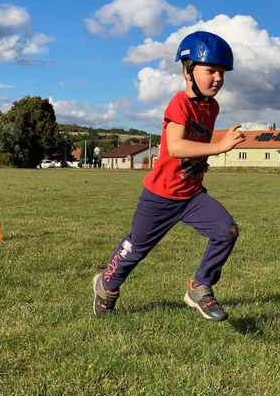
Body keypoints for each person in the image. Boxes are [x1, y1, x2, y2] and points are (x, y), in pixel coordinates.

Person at [92, 31, 246, 321]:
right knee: (136, 249)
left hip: (191, 195)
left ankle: (200, 287)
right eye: (211, 71)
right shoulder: (179, 104)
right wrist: (219, 147)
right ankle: (106, 286)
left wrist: (202, 161)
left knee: (226, 231)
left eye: (222, 73)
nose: (218, 78)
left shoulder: (211, 107)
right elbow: (175, 146)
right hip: (160, 196)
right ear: (188, 71)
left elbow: (193, 146)